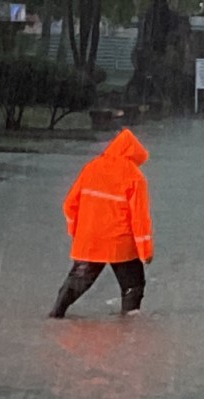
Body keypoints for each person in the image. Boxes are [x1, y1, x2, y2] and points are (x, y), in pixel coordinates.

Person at [50, 128, 154, 319]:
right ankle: (129, 327)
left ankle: (55, 316)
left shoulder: (91, 168)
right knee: (133, 285)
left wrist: (76, 232)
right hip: (120, 244)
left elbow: (69, 204)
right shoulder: (135, 177)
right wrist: (145, 251)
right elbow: (139, 218)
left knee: (77, 282)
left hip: (90, 240)